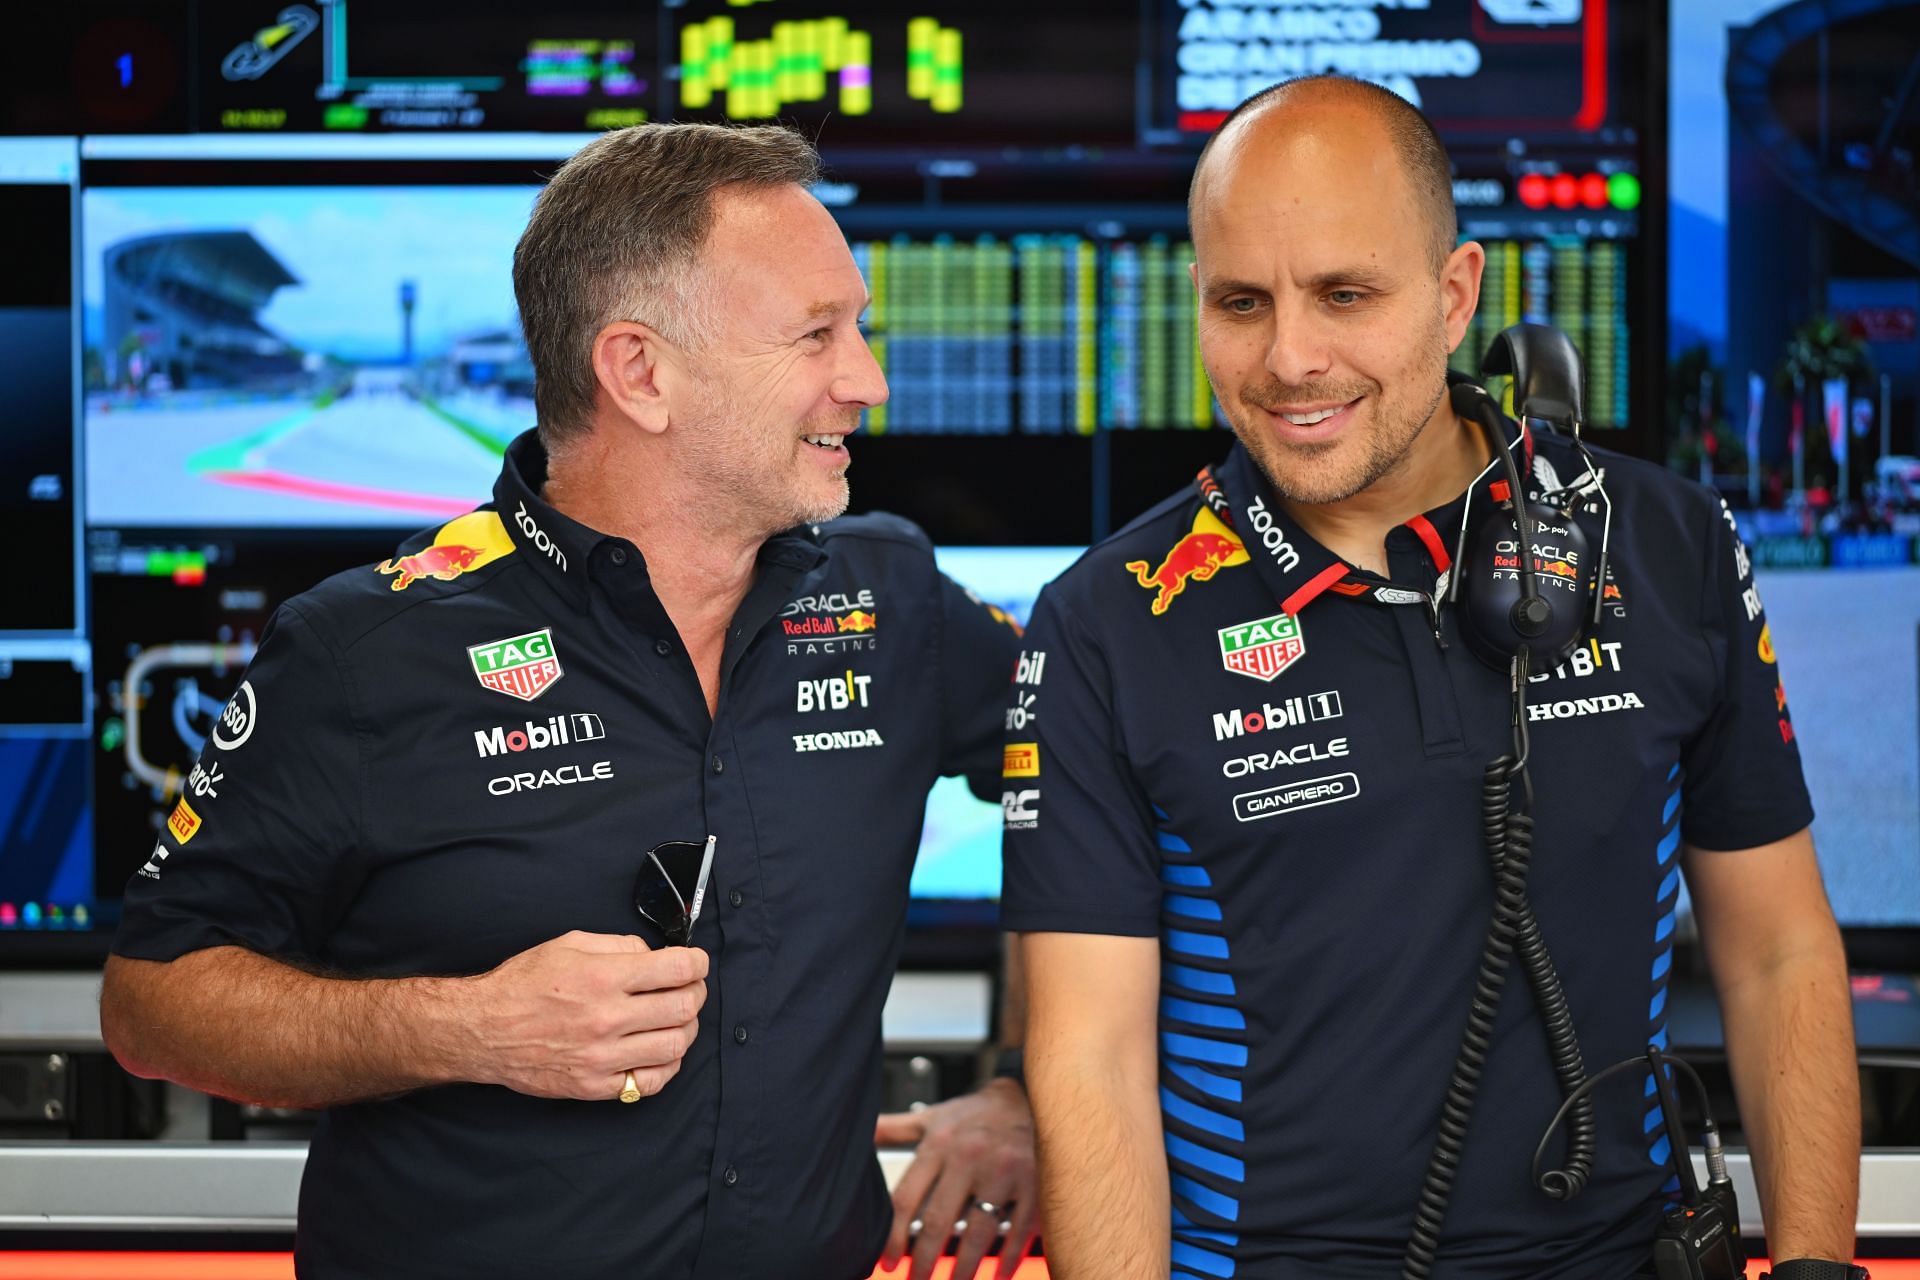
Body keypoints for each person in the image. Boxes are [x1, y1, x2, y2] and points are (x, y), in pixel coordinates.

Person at [100, 122, 1037, 1280]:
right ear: (639, 370)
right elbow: (154, 1003)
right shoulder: (366, 648)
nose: (868, 380)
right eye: (815, 335)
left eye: (860, 328)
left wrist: (1029, 1086)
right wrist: (468, 1025)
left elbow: (1121, 793)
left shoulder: (895, 600)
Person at [1003, 77, 1862, 1279]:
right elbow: (1088, 1057)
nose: (1291, 358)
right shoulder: (1108, 618)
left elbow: (1780, 950)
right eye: (1240, 303)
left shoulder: (1668, 545)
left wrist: (1818, 1263)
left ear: (1456, 294)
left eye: (1345, 295)